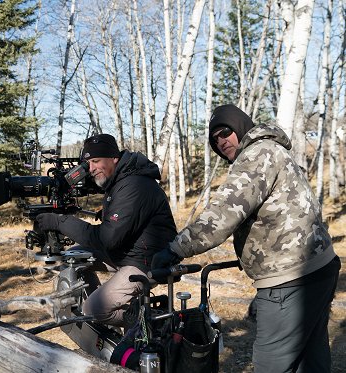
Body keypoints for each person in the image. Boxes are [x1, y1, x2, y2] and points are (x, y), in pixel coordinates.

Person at [152, 104, 340, 373]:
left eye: (225, 132)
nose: (221, 141)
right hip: (318, 267)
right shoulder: (274, 151)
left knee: (270, 364)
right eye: (214, 139)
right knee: (311, 357)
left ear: (240, 127)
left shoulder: (257, 154)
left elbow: (223, 214)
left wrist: (174, 249)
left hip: (290, 278)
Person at [36, 134, 177, 326]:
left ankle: (155, 323)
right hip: (127, 252)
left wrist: (60, 222)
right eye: (88, 164)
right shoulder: (120, 179)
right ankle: (105, 315)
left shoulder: (134, 184)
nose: (91, 169)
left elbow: (107, 239)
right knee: (73, 258)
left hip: (146, 261)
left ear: (114, 158)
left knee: (93, 310)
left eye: (96, 161)